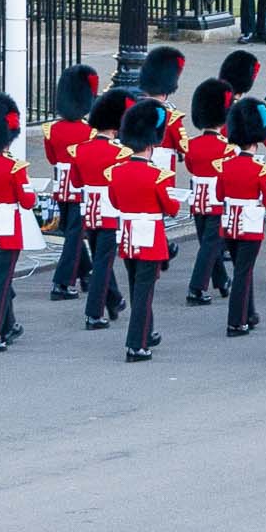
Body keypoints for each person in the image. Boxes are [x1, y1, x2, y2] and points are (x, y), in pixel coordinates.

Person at [105, 100, 179, 362]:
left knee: (137, 287)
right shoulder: (157, 175)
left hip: (127, 236)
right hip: (150, 237)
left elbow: (114, 202)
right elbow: (171, 208)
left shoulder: (116, 172)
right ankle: (135, 344)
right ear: (151, 143)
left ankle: (145, 333)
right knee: (144, 291)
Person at [74, 88, 135, 329]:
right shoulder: (120, 153)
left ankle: (114, 300)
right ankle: (93, 313)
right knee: (103, 264)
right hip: (111, 211)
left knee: (101, 260)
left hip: (90, 211)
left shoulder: (80, 149)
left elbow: (78, 182)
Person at [218, 99, 266, 337]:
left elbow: (220, 194)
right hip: (250, 223)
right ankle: (236, 321)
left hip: (230, 223)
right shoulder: (260, 169)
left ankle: (248, 314)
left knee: (243, 269)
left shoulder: (225, 165)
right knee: (243, 272)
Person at [45, 65, 100, 301]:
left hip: (61, 187)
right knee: (75, 236)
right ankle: (62, 283)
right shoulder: (88, 132)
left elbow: (50, 158)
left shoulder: (51, 130)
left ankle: (86, 273)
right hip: (80, 188)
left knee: (72, 232)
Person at [182, 78, 236, 305]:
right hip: (216, 202)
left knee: (207, 243)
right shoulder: (227, 148)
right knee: (210, 245)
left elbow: (191, 168)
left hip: (197, 202)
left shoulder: (191, 145)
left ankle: (222, 280)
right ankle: (196, 288)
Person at [0, 93, 32, 351]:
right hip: (6, 230)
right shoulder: (14, 167)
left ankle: (9, 325)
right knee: (1, 284)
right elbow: (27, 202)